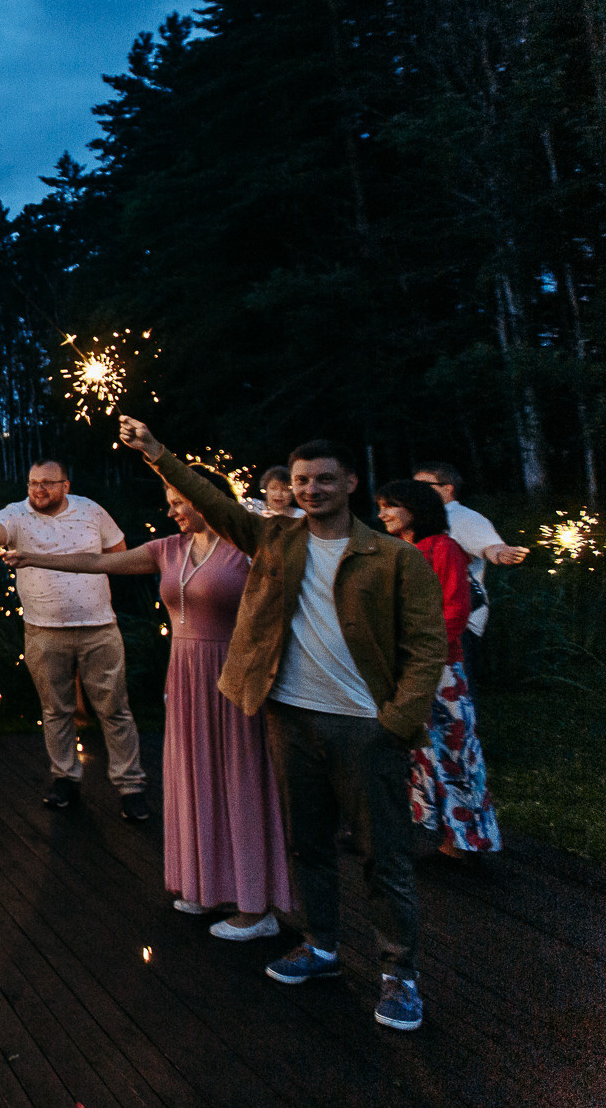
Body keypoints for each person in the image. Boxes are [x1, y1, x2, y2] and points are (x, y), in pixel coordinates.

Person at [118, 417, 446, 1033]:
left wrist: (397, 722)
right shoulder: (276, 541)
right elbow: (212, 500)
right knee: (309, 844)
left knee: (385, 857)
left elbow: (428, 646)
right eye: (300, 481)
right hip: (291, 718)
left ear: (350, 483)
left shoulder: (395, 558)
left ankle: (400, 975)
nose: (311, 490)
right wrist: (157, 452)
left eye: (324, 479)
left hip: (363, 726)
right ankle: (322, 947)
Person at [0, 472, 294, 940]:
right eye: (170, 502)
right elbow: (96, 562)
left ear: (211, 501)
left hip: (234, 674)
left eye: (181, 501)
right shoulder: (169, 549)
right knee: (195, 776)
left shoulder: (249, 548)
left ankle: (257, 907)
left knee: (238, 780)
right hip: (185, 675)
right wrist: (31, 557)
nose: (173, 510)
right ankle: (205, 884)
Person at [0, 460, 146, 816]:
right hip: (43, 631)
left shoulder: (90, 511)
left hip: (98, 627)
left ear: (65, 485)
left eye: (47, 483)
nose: (38, 490)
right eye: (33, 483)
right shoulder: (16, 514)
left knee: (114, 709)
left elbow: (120, 553)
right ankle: (65, 778)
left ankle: (130, 786)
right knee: (55, 710)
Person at [376, 480, 502, 860]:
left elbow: (455, 612)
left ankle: (466, 842)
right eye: (380, 506)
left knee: (454, 752)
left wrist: (419, 654)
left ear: (415, 508)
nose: (382, 513)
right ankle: (442, 836)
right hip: (407, 668)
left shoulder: (443, 548)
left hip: (440, 668)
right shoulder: (403, 550)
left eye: (390, 506)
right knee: (422, 754)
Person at [411, 462, 528, 682]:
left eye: (425, 486)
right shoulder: (424, 520)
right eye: (414, 486)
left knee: (458, 694)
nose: (418, 492)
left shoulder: (464, 518)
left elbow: (491, 547)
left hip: (458, 623)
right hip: (429, 620)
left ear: (448, 488)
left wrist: (503, 553)